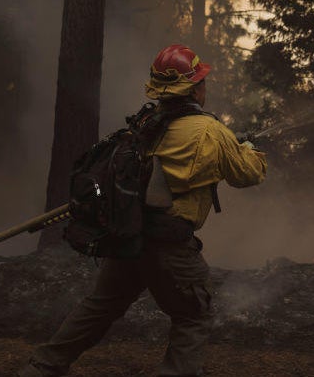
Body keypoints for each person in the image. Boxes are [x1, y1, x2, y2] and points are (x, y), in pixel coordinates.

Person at [19, 44, 267, 377]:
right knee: (194, 315)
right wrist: (248, 149)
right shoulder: (211, 132)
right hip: (168, 246)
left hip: (129, 235)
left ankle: (41, 367)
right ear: (194, 88)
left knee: (101, 305)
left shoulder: (146, 121)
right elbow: (248, 174)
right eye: (202, 81)